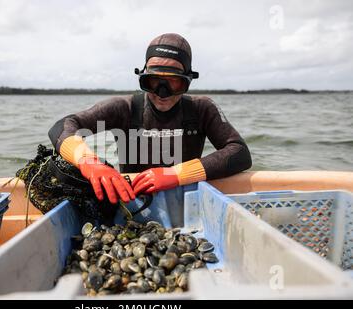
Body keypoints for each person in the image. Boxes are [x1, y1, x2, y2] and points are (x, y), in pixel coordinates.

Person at [49, 33, 252, 204]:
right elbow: (62, 126)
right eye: (153, 81)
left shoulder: (201, 108)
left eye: (174, 83)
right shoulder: (125, 108)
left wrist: (175, 175)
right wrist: (89, 163)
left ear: (188, 80)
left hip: (184, 198)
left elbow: (239, 153)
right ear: (143, 77)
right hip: (131, 200)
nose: (162, 93)